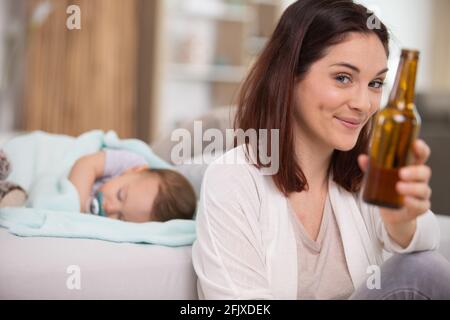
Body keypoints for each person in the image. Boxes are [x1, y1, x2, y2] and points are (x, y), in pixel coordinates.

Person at [191, 0, 450, 299]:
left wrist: (402, 222)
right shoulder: (233, 178)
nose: (364, 103)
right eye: (343, 78)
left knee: (424, 267)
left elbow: (425, 246)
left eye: (376, 83)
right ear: (290, 76)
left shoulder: (365, 175)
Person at [68, 148, 196, 223]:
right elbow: (85, 165)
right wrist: (78, 212)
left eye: (120, 218)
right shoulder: (130, 163)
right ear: (135, 170)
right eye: (120, 195)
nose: (110, 208)